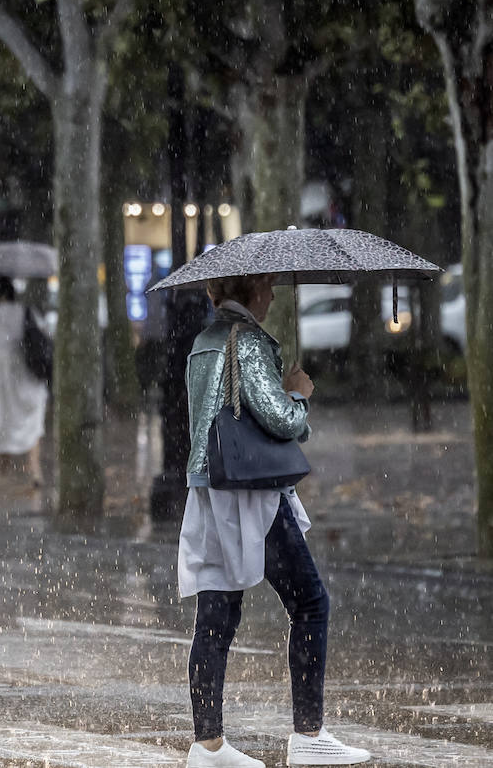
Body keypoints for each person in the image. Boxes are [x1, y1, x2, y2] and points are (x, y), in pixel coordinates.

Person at [178, 274, 371, 767]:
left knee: (216, 615)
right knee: (309, 602)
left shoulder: (203, 342)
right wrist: (299, 395)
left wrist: (274, 389)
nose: (273, 296)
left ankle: (208, 744)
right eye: (269, 288)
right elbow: (281, 420)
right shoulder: (248, 342)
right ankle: (308, 735)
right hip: (252, 493)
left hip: (208, 487)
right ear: (254, 292)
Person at [0, 276, 49, 490]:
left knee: (4, 417)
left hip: (3, 375)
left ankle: (3, 472)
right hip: (27, 372)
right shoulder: (27, 312)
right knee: (32, 418)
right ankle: (35, 470)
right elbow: (43, 335)